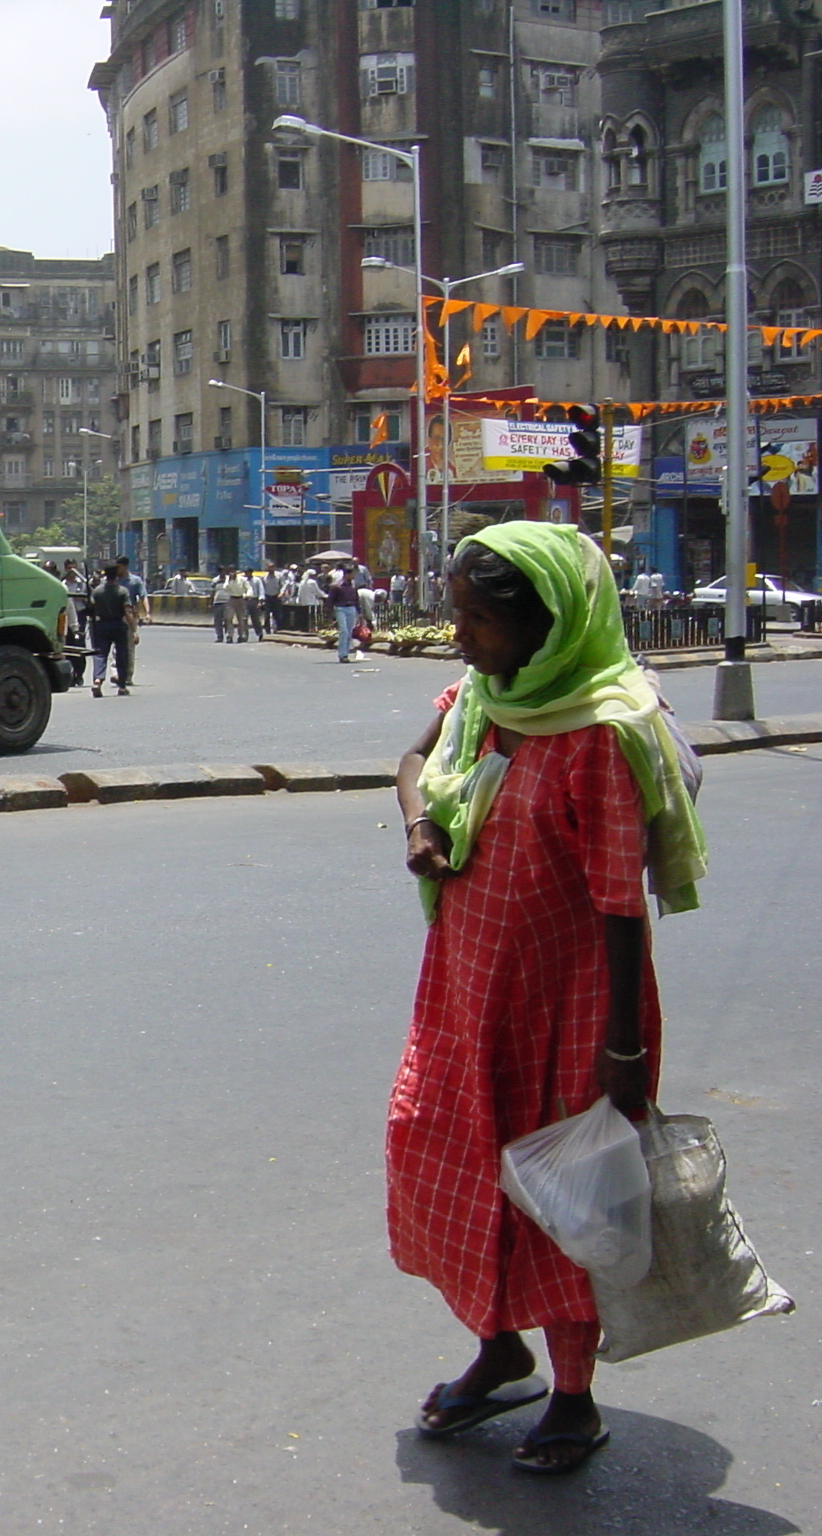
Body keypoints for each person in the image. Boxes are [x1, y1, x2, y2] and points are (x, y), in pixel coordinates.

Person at [391, 523, 705, 1477]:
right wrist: (421, 828)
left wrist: (621, 1050)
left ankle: (574, 1397)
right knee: (447, 1154)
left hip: (569, 1008)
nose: (460, 636)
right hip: (465, 987)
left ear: (549, 624)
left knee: (567, 1195)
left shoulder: (598, 737)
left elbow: (618, 903)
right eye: (457, 614)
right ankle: (499, 1348)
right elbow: (411, 760)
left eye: (480, 620)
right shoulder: (483, 700)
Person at [86, 565, 133, 697]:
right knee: (122, 655)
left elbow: (91, 608)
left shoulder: (97, 591)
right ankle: (122, 686)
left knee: (100, 654)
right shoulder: (122, 591)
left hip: (101, 625)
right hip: (118, 624)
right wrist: (133, 630)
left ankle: (97, 681)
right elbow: (127, 611)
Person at [328, 564, 361, 663]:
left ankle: (346, 653)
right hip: (341, 608)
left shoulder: (353, 585)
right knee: (344, 631)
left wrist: (359, 612)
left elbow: (356, 599)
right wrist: (330, 615)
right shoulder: (337, 586)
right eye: (352, 574)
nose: (354, 576)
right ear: (347, 574)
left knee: (349, 632)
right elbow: (330, 601)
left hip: (351, 608)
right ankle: (342, 654)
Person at [223, 567, 253, 643]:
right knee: (229, 618)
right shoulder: (228, 579)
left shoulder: (242, 579)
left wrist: (247, 595)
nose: (231, 573)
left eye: (233, 571)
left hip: (240, 599)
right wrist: (229, 580)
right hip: (231, 599)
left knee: (241, 619)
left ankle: (241, 635)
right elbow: (225, 588)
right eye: (230, 572)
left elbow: (249, 588)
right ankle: (230, 635)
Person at [211, 568, 231, 642]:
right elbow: (212, 592)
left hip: (227, 602)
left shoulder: (229, 579)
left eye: (224, 571)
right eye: (221, 571)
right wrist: (211, 602)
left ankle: (228, 635)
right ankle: (219, 636)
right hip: (217, 602)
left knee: (228, 620)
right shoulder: (215, 580)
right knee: (217, 621)